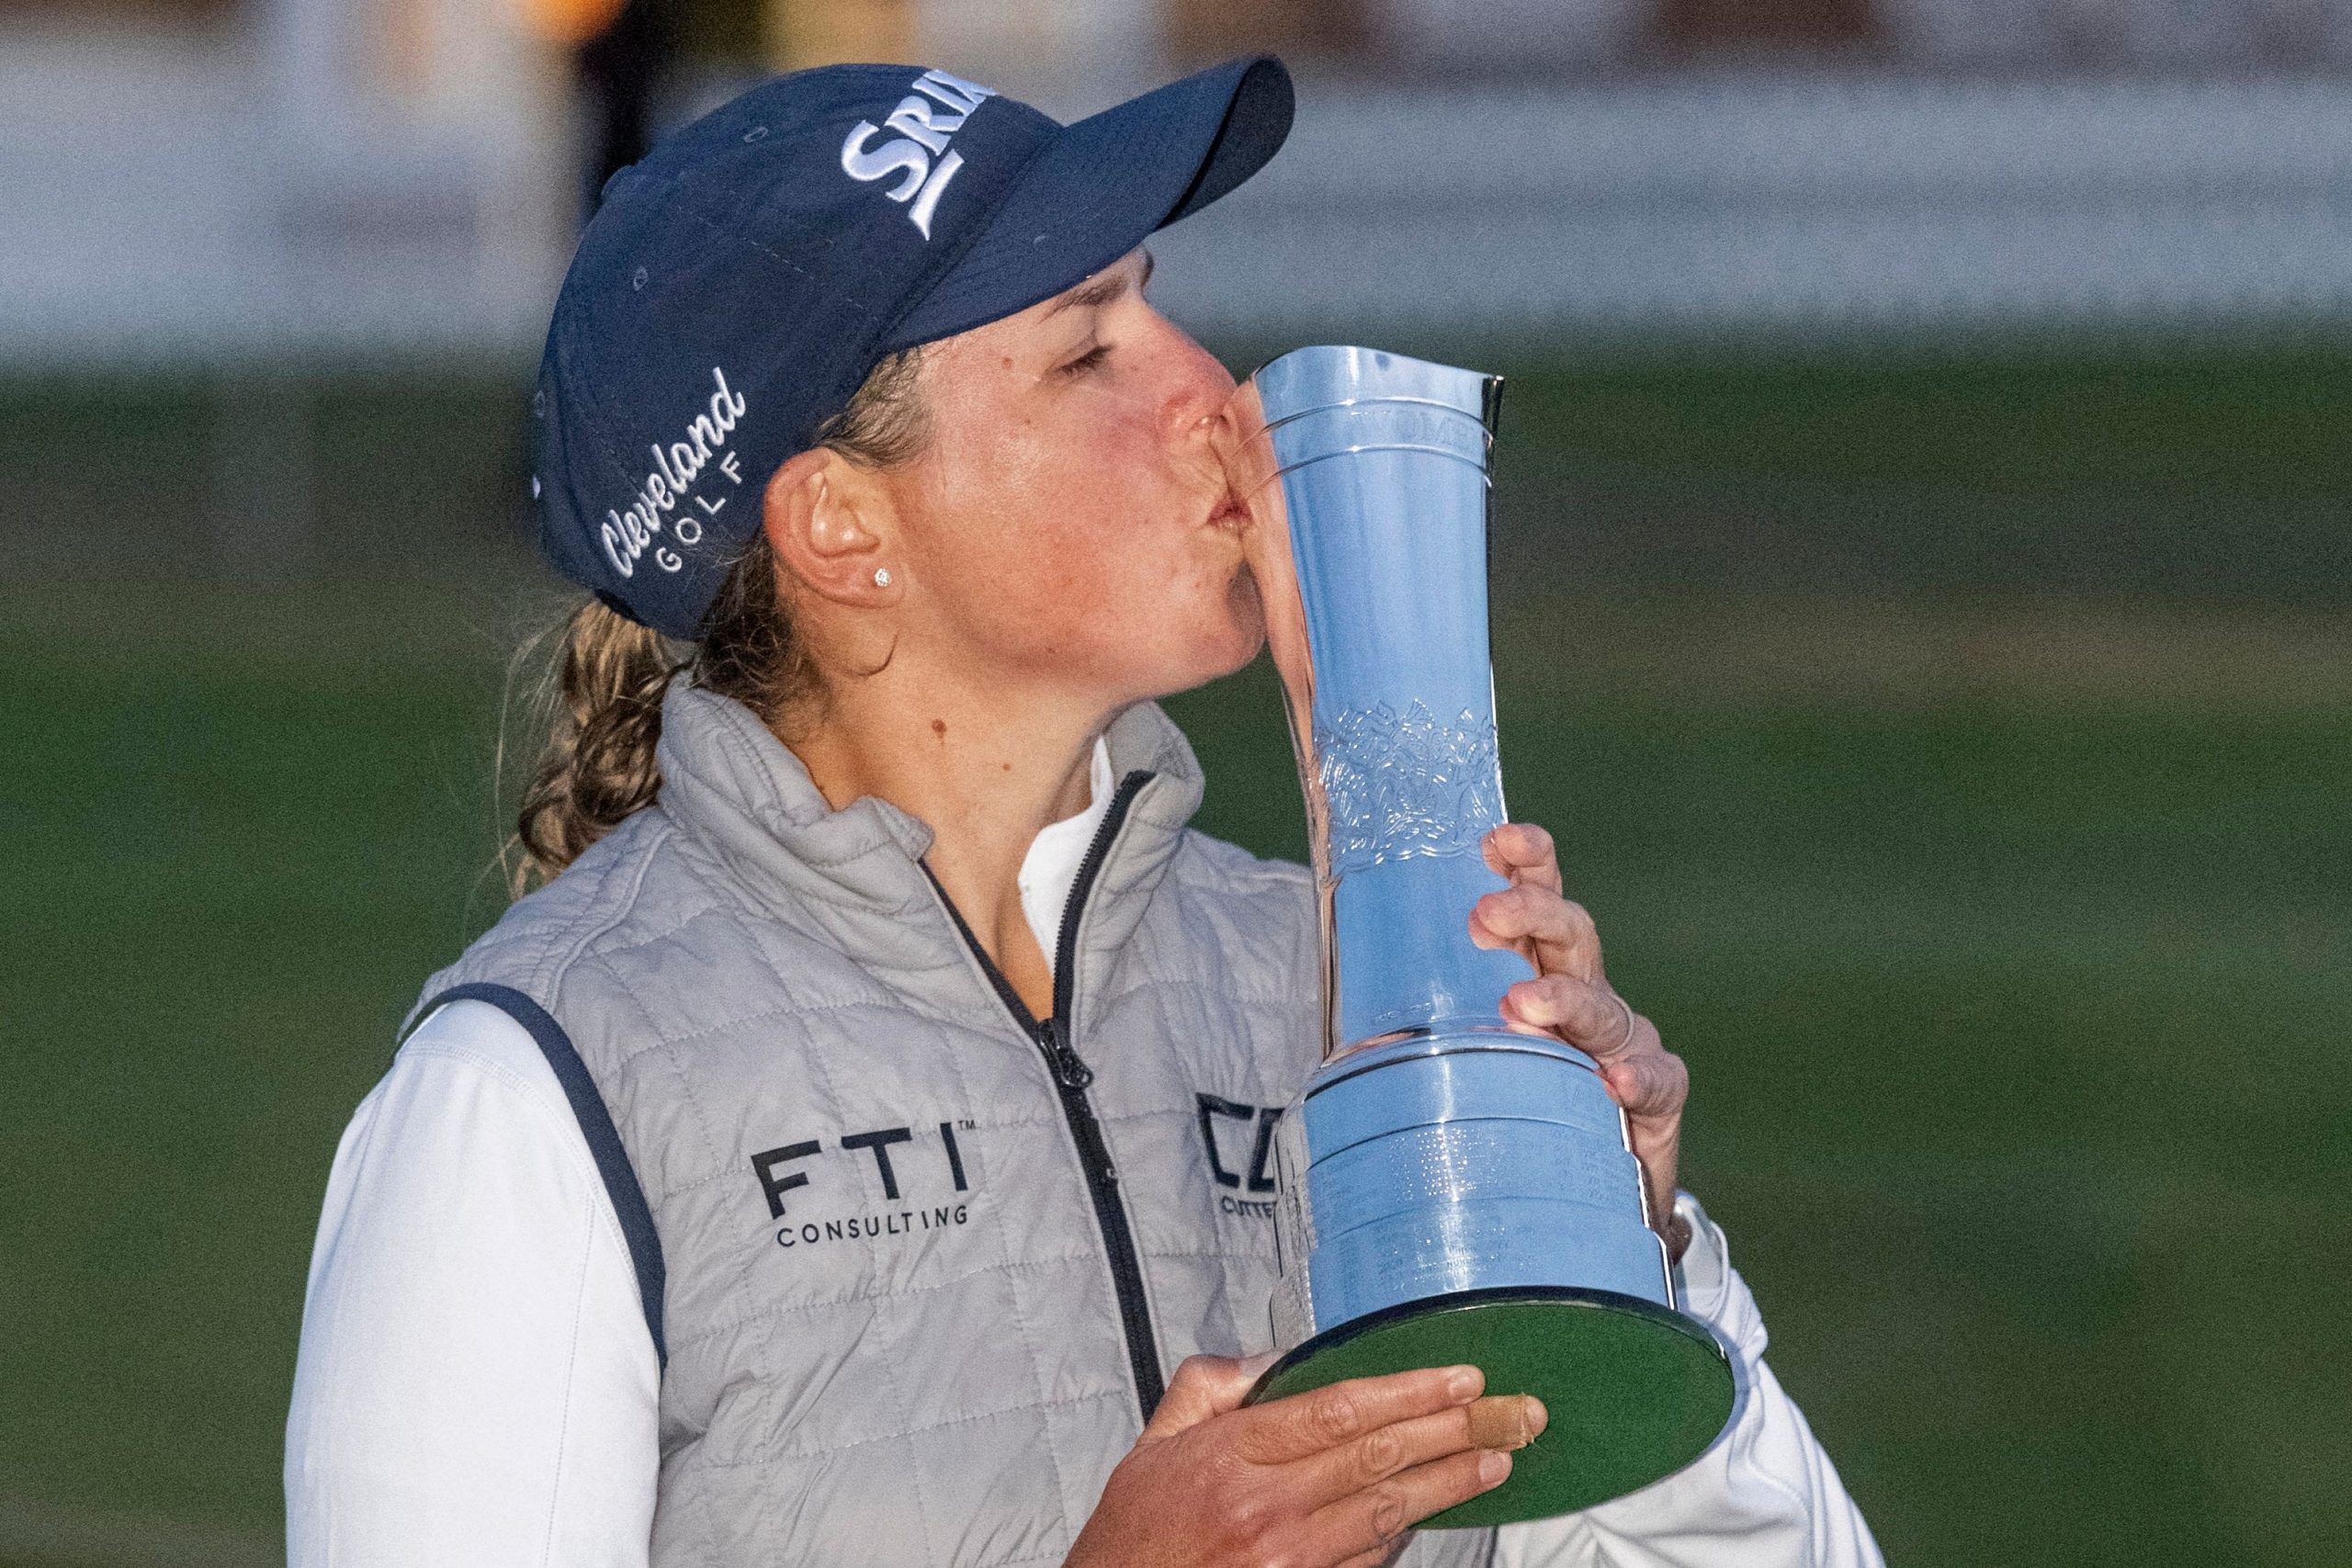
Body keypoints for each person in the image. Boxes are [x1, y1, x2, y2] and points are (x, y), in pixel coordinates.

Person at [284, 56, 1883, 1568]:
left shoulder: (1329, 991)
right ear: (843, 529)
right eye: (1087, 347)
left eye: (1157, 310)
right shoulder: (539, 1089)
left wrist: (1624, 1251)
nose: (1215, 396)